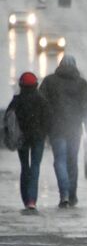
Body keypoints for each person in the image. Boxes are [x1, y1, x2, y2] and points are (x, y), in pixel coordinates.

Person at [40, 54, 87, 208]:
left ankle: (64, 194)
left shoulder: (49, 81)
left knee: (60, 161)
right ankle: (73, 194)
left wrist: (44, 125)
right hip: (75, 128)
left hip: (56, 128)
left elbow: (42, 104)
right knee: (72, 161)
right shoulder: (81, 83)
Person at [6, 72, 50, 211]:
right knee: (35, 167)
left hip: (22, 138)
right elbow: (48, 119)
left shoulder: (17, 101)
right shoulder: (42, 100)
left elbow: (8, 119)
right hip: (38, 137)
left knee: (25, 167)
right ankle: (32, 200)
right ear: (36, 85)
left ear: (21, 85)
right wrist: (45, 133)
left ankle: (26, 199)